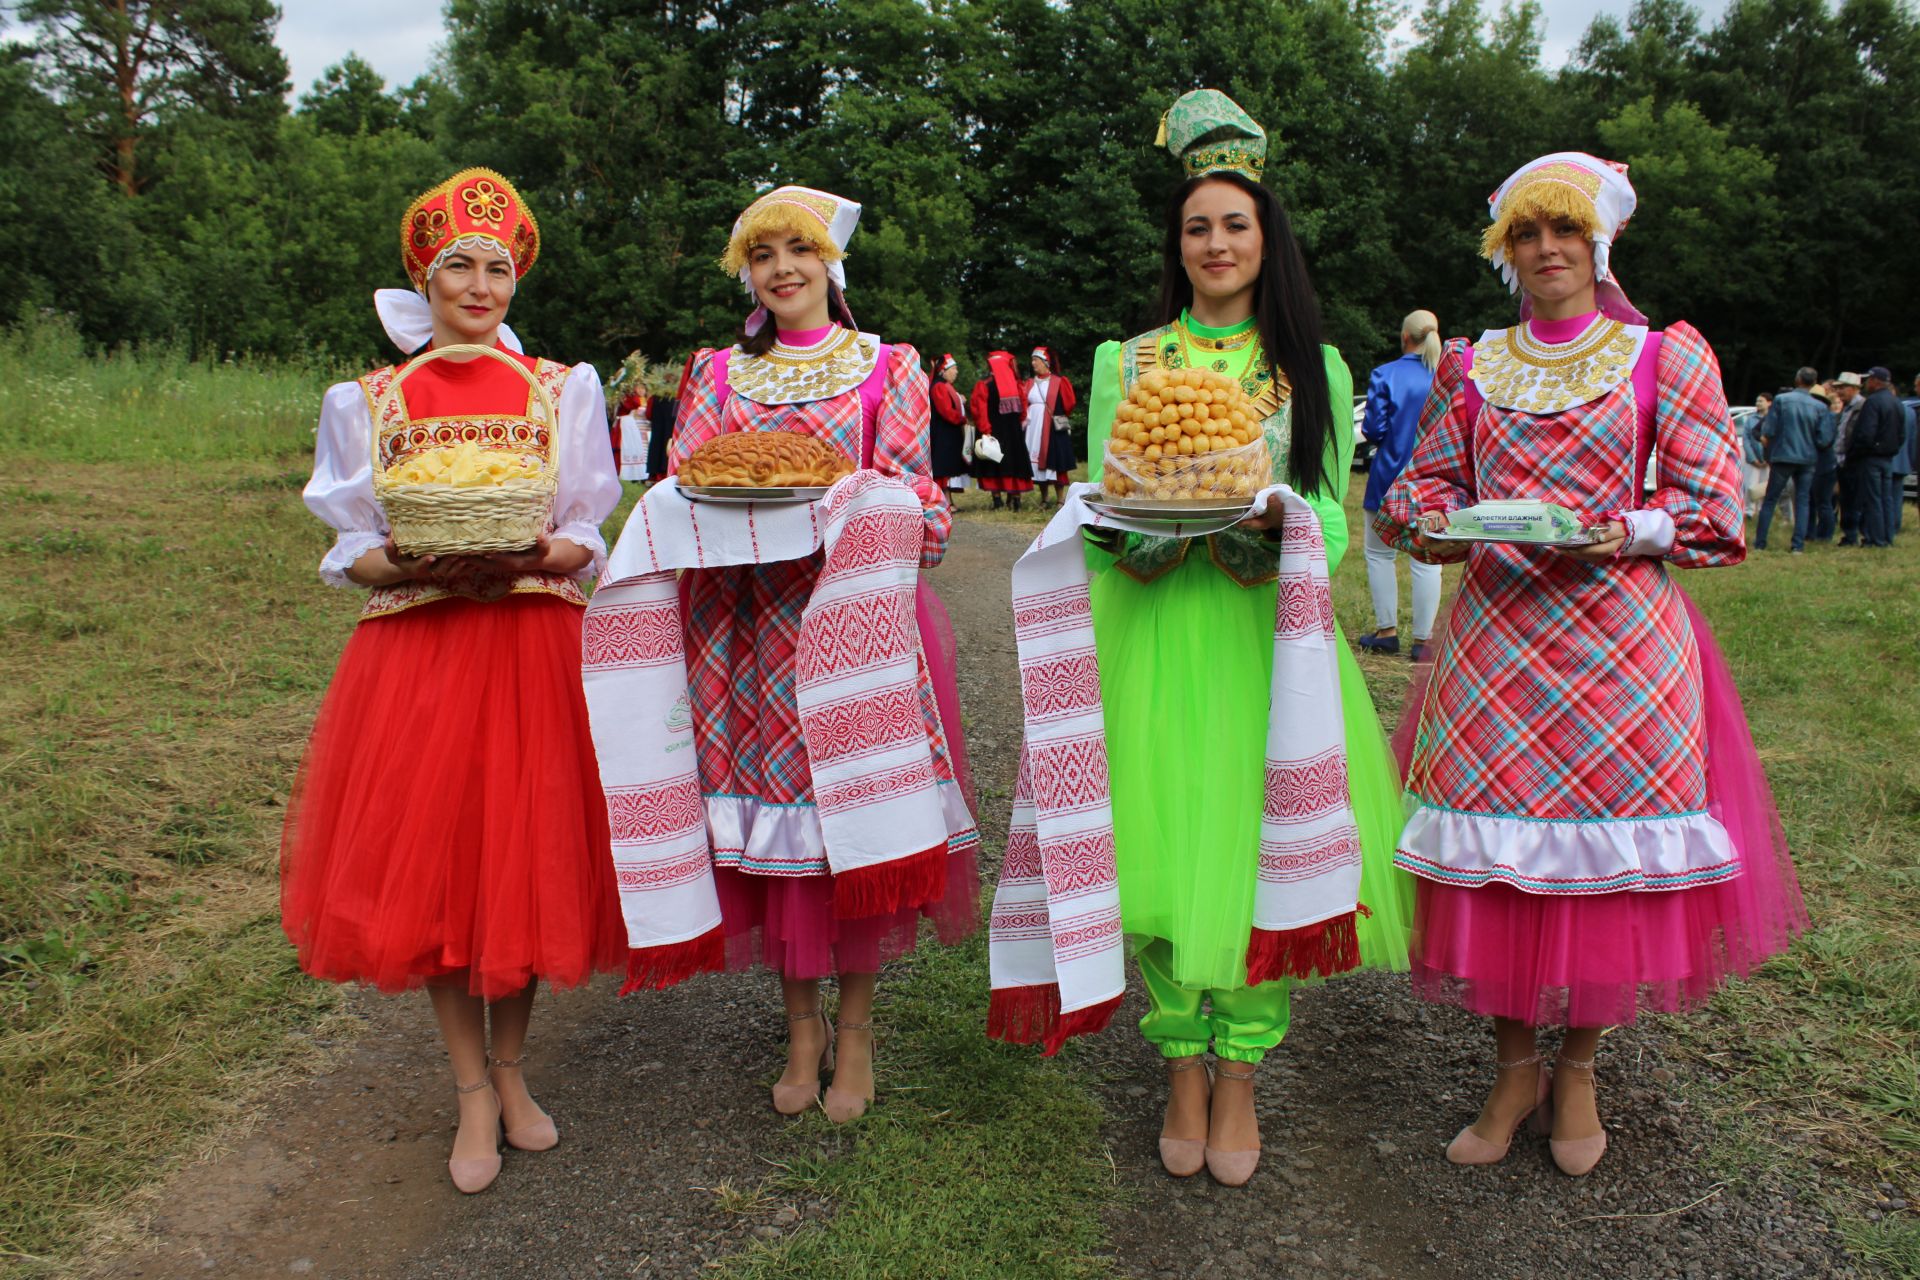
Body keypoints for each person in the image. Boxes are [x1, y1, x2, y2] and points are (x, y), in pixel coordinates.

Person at [987, 90, 1412, 1188]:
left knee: (1260, 848)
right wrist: (1138, 531)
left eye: (1235, 223)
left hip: (1266, 641)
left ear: (1267, 239)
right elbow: (1100, 503)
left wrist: (1273, 521)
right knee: (1164, 850)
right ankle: (1180, 1058)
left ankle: (1244, 1067)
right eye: (1196, 226)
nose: (1215, 243)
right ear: (1175, 247)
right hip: (1155, 631)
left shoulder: (1308, 365)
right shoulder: (1127, 357)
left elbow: (1327, 512)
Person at [1375, 151, 1805, 1178]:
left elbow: (1714, 516)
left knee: (1603, 871)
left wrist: (1615, 530)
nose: (1546, 249)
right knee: (1503, 868)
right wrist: (1432, 524)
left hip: (1624, 650)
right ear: (1506, 251)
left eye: (1564, 230)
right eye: (1525, 233)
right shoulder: (1472, 364)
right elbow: (1418, 489)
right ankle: (1513, 1066)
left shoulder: (1665, 355)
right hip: (1497, 653)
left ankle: (1579, 1066)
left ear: (1599, 240)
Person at [589, 185, 979, 1124]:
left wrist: (859, 510)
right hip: (745, 632)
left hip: (854, 635)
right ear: (749, 274)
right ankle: (799, 1025)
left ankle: (854, 1030)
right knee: (776, 838)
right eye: (762, 255)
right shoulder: (719, 375)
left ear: (829, 263)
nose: (782, 269)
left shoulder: (889, 368)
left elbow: (922, 509)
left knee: (854, 826)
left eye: (797, 251)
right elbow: (689, 480)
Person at [281, 167, 626, 1194]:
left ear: (515, 277)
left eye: (497, 267)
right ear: (425, 280)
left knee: (525, 864)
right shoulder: (370, 398)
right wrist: (407, 561)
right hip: (421, 658)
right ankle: (470, 1087)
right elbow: (352, 547)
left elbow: (582, 528)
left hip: (527, 652)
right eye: (458, 267)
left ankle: (515, 1072)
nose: (479, 286)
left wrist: (538, 556)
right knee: (435, 869)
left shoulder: (562, 387)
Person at [1356, 310, 1443, 660]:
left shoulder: (1385, 374)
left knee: (1379, 554)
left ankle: (1386, 631)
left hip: (1389, 476)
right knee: (1427, 560)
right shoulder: (1446, 377)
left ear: (1405, 337)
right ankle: (1423, 641)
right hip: (1434, 480)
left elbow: (1374, 430)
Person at [1755, 367, 1826, 553]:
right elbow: (1824, 438)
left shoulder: (1782, 400)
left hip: (1783, 455)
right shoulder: (1819, 406)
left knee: (1770, 499)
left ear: (1797, 379)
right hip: (1808, 457)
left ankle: (1760, 543)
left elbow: (1769, 430)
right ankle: (1798, 545)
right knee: (1802, 500)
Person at [1843, 367, 1900, 548]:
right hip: (1888, 457)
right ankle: (1887, 536)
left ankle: (1875, 538)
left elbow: (1866, 433)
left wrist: (1857, 452)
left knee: (1872, 498)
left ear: (1876, 381)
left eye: (1869, 380)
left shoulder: (1873, 402)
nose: (1866, 383)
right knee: (1886, 498)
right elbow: (1902, 433)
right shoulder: (1895, 402)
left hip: (1871, 457)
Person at [971, 350, 1034, 510]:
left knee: (994, 464)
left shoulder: (984, 385)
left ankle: (997, 500)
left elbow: (980, 409)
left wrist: (985, 429)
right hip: (1013, 433)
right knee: (1015, 462)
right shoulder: (1016, 385)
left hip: (994, 431)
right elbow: (1023, 410)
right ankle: (1015, 500)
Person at [1024, 345, 1078, 507]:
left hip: (1052, 428)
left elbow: (1069, 403)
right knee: (1038, 462)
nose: (1033, 363)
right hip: (1033, 427)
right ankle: (1044, 498)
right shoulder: (1029, 383)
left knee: (1056, 460)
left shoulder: (1059, 382)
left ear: (1046, 362)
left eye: (1036, 360)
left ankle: (1060, 498)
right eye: (1032, 360)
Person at [928, 352, 970, 496]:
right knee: (943, 468)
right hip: (943, 433)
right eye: (954, 368)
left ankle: (948, 501)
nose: (956, 372)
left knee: (947, 468)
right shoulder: (939, 387)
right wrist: (962, 419)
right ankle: (944, 501)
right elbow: (946, 411)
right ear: (944, 370)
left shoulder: (943, 386)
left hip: (948, 432)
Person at [1833, 372, 1868, 544]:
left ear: (1854, 388)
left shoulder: (1862, 407)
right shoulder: (1846, 407)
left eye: (1842, 388)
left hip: (1853, 461)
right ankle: (1848, 534)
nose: (1839, 392)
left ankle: (1854, 533)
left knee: (1855, 499)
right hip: (1841, 461)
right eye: (1838, 388)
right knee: (1845, 499)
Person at [1810, 381, 1841, 542]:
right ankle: (1812, 533)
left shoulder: (1826, 416)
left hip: (1825, 464)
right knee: (1814, 501)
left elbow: (1824, 441)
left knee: (1824, 501)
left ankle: (1825, 535)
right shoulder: (1823, 415)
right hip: (1819, 463)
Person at [1739, 392, 1772, 518]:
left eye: (1761, 401)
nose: (1758, 403)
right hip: (1752, 460)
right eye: (1757, 401)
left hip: (1767, 460)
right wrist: (1753, 458)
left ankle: (1761, 510)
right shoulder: (1750, 420)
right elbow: (1746, 439)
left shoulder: (1772, 419)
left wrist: (1767, 459)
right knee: (1750, 485)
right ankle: (1749, 511)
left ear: (1769, 403)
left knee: (1764, 486)